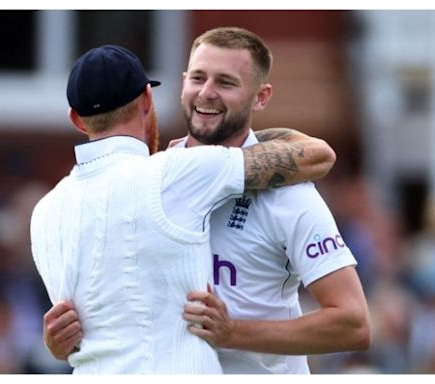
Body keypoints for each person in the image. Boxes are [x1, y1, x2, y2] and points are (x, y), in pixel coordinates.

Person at [42, 27, 371, 374]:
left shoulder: (289, 194)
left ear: (261, 97)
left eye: (226, 83)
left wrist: (234, 333)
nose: (207, 93)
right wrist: (65, 342)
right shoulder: (150, 181)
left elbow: (353, 324)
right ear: (182, 83)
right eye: (198, 78)